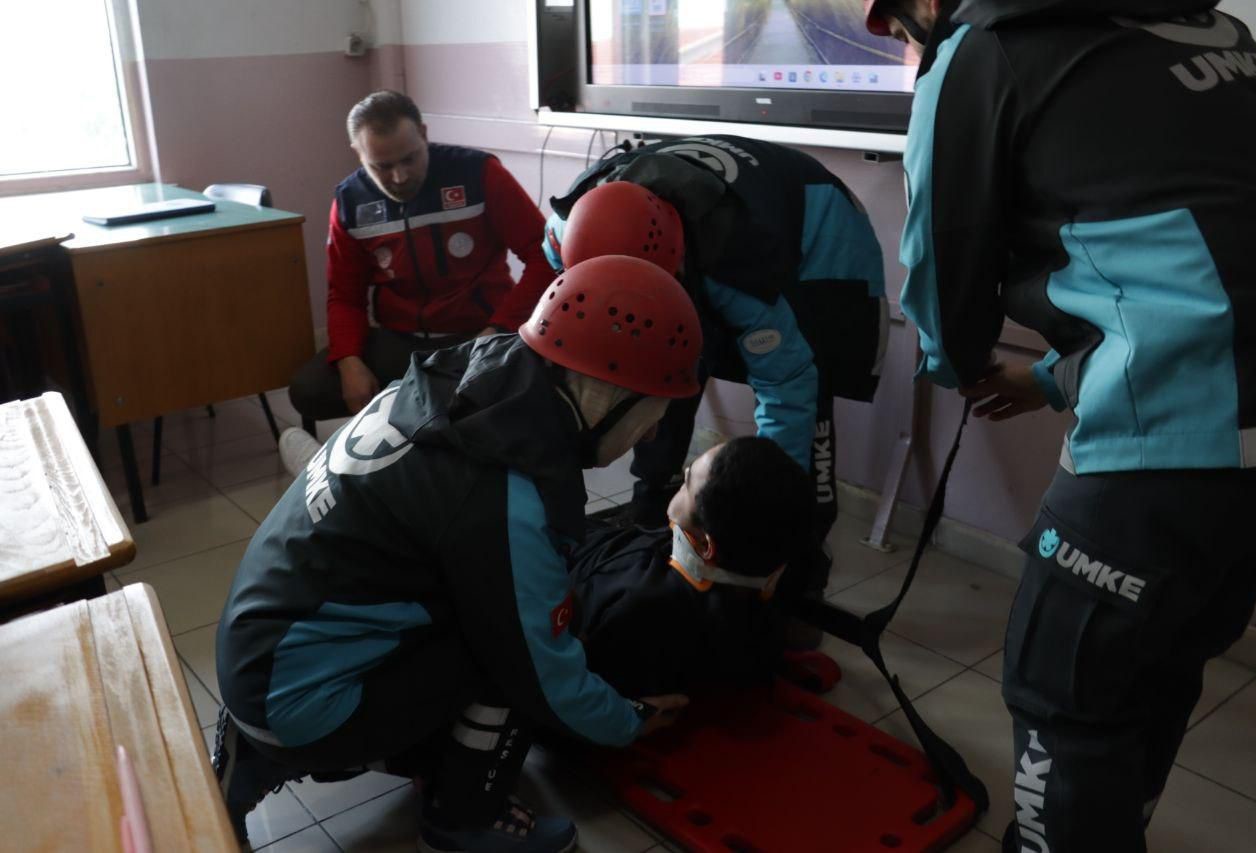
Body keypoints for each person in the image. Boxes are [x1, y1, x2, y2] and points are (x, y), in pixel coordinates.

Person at [865, 0, 1256, 849]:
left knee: (1065, 697)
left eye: (905, 33)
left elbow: (944, 273)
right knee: (1158, 669)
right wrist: (1054, 377)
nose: (913, 49)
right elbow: (1210, 267)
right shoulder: (1215, 31)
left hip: (1168, 453)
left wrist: (955, 363)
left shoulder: (985, 48)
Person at [214, 255, 702, 852]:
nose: (651, 434)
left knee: (488, 602)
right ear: (606, 395)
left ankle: (260, 752)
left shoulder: (468, 373)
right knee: (511, 647)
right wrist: (627, 721)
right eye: (652, 414)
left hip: (254, 655)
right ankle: (464, 819)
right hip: (302, 703)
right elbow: (541, 669)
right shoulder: (505, 488)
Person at [543, 135, 889, 597]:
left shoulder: (739, 268)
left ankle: (801, 566)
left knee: (810, 389)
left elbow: (787, 384)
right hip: (712, 227)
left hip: (820, 233)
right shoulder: (565, 231)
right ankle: (652, 512)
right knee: (665, 360)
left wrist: (764, 504)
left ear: (677, 264)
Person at [289, 90, 556, 426]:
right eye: (382, 166)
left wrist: (498, 328)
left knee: (527, 397)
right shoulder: (349, 201)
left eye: (409, 159)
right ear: (358, 153)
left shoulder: (479, 173)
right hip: (401, 341)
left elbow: (545, 257)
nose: (399, 177)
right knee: (309, 390)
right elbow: (344, 296)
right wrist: (348, 360)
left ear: (424, 135)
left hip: (480, 334)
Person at [571, 435, 814, 698]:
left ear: (706, 545)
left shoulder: (640, 610)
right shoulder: (772, 568)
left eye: (686, 483)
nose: (682, 478)